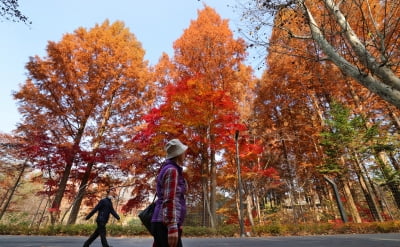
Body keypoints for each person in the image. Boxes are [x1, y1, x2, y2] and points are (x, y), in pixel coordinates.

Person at [151, 138, 188, 247]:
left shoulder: (170, 169)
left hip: (162, 222)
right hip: (165, 223)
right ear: (178, 154)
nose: (185, 153)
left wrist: (178, 222)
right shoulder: (172, 170)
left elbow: (177, 195)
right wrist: (172, 225)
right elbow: (169, 199)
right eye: (182, 151)